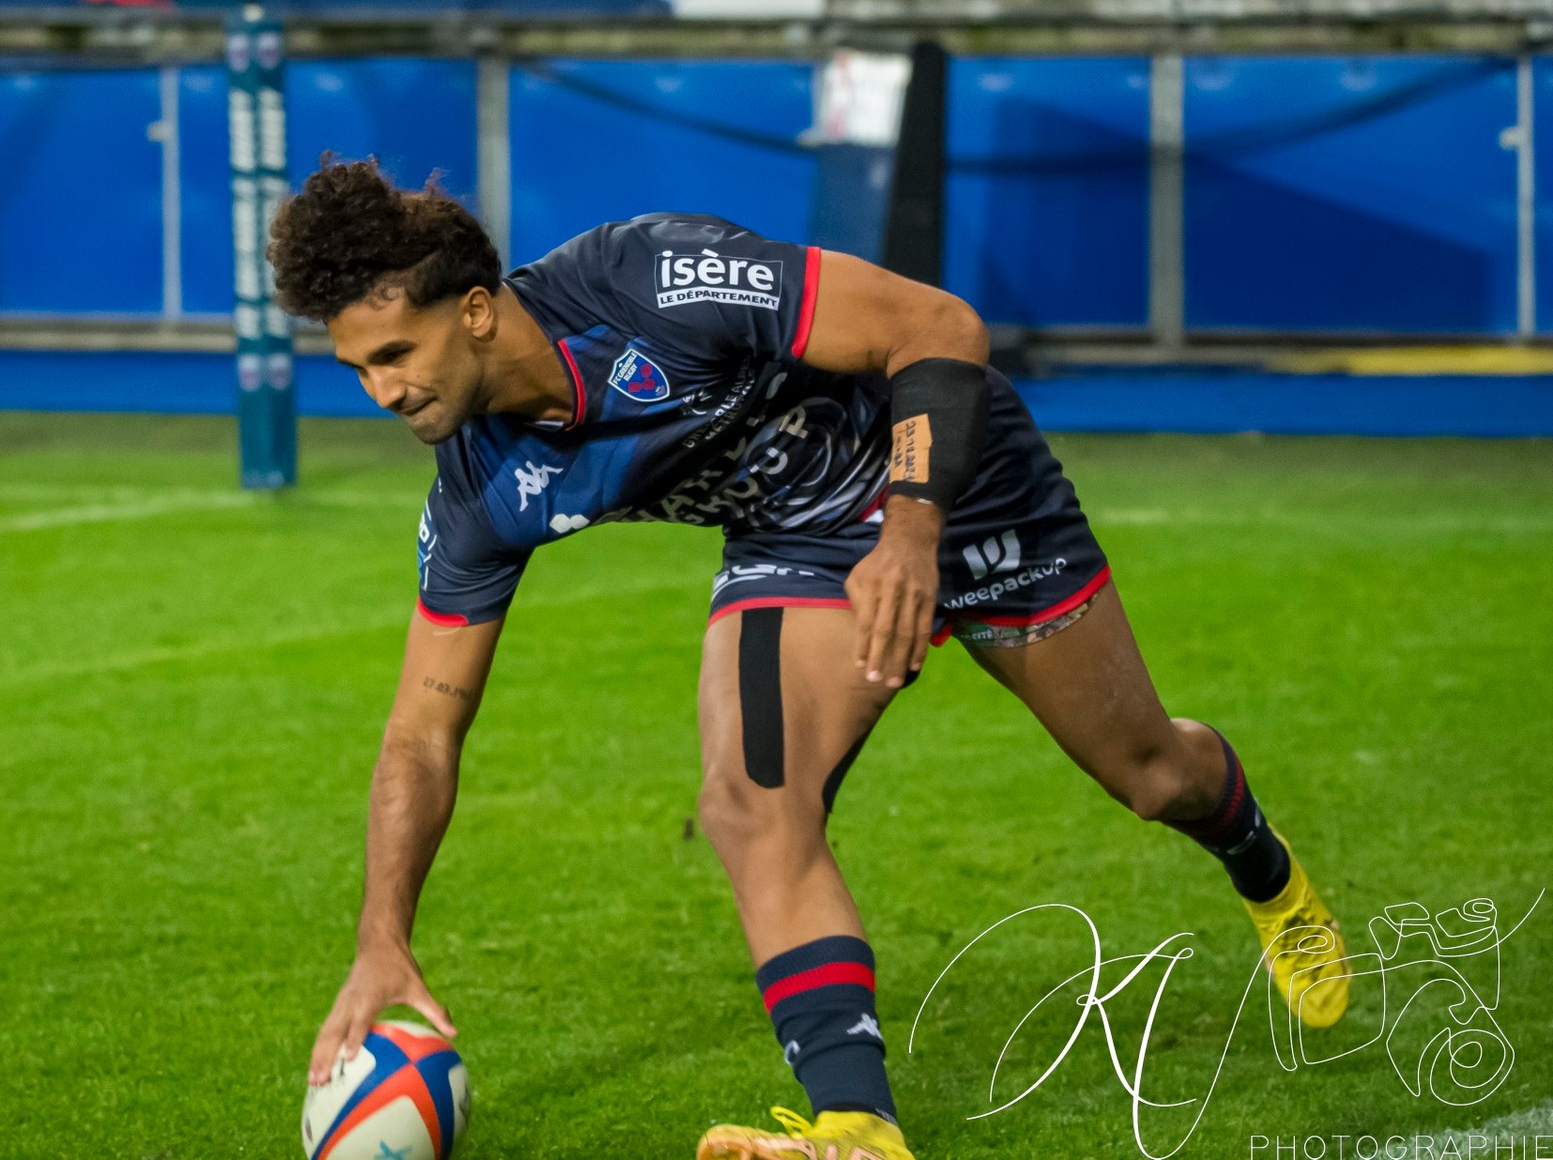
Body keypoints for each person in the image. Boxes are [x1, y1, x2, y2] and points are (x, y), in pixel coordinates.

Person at [273, 161, 1353, 1160]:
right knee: (750, 802)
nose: (381, 392)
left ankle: (1261, 864)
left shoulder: (649, 277)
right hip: (801, 544)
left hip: (962, 485)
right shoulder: (478, 492)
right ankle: (859, 1127)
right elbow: (421, 732)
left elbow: (937, 326)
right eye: (357, 367)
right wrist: (380, 937)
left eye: (394, 355)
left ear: (472, 310)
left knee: (1149, 772)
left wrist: (913, 531)